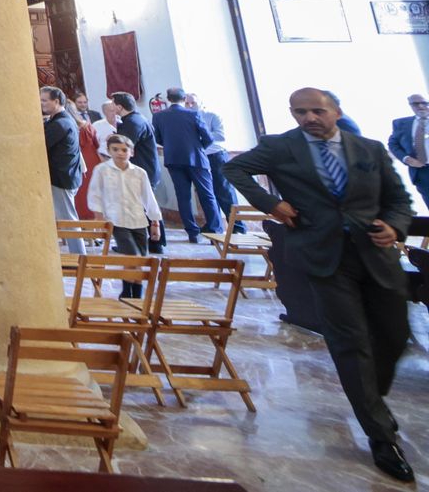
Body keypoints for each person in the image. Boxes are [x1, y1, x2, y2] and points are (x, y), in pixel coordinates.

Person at [224, 88, 415, 484]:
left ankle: (368, 396)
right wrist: (270, 203)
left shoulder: (369, 148)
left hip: (375, 255)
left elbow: (399, 198)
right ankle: (381, 435)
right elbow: (234, 168)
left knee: (394, 336)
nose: (309, 117)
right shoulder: (280, 147)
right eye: (300, 111)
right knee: (350, 343)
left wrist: (394, 226)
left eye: (317, 110)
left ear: (336, 110)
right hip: (324, 255)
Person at [85, 134, 161, 298]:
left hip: (138, 220)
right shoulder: (102, 170)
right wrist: (99, 218)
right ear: (109, 151)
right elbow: (95, 195)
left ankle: (137, 292)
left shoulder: (139, 172)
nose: (120, 153)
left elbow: (148, 197)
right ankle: (127, 291)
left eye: (124, 150)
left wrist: (155, 222)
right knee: (131, 256)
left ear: (131, 152)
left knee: (140, 259)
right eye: (116, 149)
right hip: (116, 220)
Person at [152, 87, 222, 243]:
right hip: (196, 159)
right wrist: (196, 147)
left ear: (168, 99)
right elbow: (209, 138)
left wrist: (172, 146)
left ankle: (192, 233)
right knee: (207, 195)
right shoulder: (193, 114)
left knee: (183, 197)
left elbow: (158, 138)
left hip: (173, 159)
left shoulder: (159, 117)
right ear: (184, 99)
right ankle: (215, 231)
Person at [113, 92, 165, 250]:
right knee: (145, 206)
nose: (112, 107)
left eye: (114, 104)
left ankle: (150, 244)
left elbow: (124, 147)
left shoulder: (133, 122)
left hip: (141, 170)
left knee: (142, 208)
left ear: (120, 106)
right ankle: (154, 243)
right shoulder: (136, 119)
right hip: (145, 168)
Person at [186, 92, 240, 233]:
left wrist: (201, 137)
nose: (190, 105)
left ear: (200, 103)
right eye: (187, 103)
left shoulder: (211, 116)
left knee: (224, 191)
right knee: (206, 193)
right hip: (199, 157)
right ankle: (214, 225)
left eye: (193, 102)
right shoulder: (186, 119)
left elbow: (220, 135)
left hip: (216, 155)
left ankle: (237, 227)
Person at [41, 87, 85, 252]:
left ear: (57, 102)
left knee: (69, 221)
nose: (41, 103)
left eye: (45, 100)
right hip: (63, 177)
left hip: (62, 178)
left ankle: (80, 259)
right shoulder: (57, 120)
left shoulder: (61, 123)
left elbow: (41, 143)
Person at [386, 93, 429, 211]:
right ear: (410, 105)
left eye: (424, 103)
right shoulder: (401, 124)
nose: (420, 106)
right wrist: (406, 158)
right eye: (416, 104)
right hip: (422, 172)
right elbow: (393, 144)